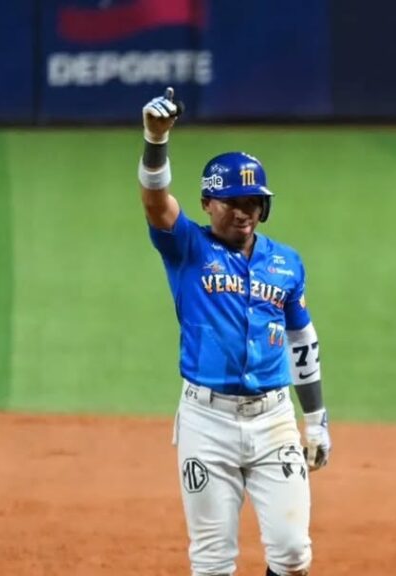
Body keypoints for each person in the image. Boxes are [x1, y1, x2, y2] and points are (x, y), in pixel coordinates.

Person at [137, 87, 331, 576]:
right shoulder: (188, 249)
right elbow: (156, 201)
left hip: (274, 420)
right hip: (207, 422)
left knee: (292, 553)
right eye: (231, 201)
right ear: (207, 203)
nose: (244, 211)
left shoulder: (286, 263)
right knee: (212, 562)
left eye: (253, 202)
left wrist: (316, 420)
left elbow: (302, 342)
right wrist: (155, 140)